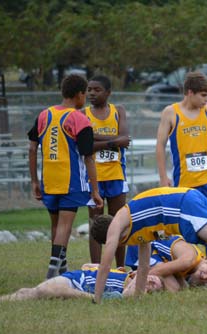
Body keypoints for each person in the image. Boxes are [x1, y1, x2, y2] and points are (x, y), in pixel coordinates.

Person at [89, 187, 207, 304]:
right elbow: (144, 266)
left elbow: (105, 266)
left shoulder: (117, 225)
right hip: (186, 200)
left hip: (183, 204)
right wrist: (138, 297)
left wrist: (96, 299)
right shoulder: (138, 228)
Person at [28, 74, 103, 279]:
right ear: (79, 94)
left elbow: (32, 149)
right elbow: (89, 157)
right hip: (70, 180)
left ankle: (61, 268)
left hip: (49, 180)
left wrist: (34, 180)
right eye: (85, 94)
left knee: (55, 224)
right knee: (64, 225)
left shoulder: (44, 115)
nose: (86, 98)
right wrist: (95, 190)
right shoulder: (79, 119)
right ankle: (52, 272)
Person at [155, 71, 207, 211]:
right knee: (189, 224)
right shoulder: (171, 112)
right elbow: (160, 146)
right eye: (203, 95)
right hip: (185, 180)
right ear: (190, 93)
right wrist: (163, 177)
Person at [84, 75, 131, 268]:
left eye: (97, 90)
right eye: (89, 90)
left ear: (108, 92)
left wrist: (97, 140)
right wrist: (113, 142)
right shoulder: (83, 114)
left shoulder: (118, 111)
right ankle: (96, 268)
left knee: (118, 223)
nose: (92, 93)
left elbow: (125, 138)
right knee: (95, 224)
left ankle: (120, 267)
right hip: (93, 178)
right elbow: (86, 143)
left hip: (116, 176)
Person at [0, 264, 164, 304]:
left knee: (36, 292)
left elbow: (130, 296)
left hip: (77, 286)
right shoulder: (122, 271)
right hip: (76, 279)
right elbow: (87, 265)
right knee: (38, 291)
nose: (151, 280)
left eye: (153, 286)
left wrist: (142, 283)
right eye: (154, 279)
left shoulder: (128, 288)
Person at [125, 235, 207, 292]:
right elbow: (157, 271)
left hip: (153, 249)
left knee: (182, 288)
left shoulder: (194, 267)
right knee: (175, 289)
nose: (204, 277)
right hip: (143, 245)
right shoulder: (188, 260)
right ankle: (129, 283)